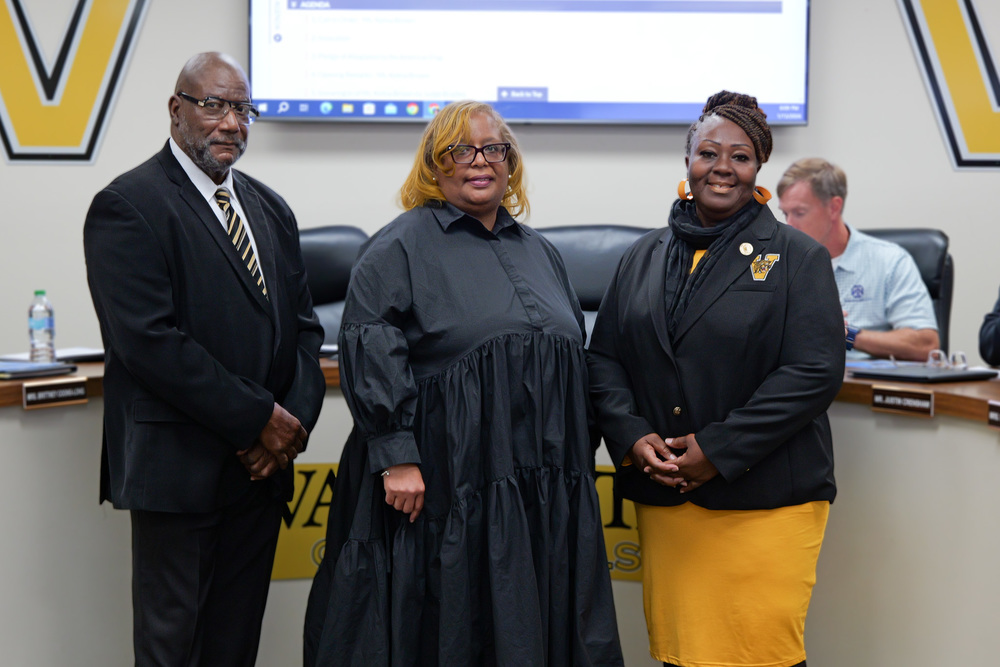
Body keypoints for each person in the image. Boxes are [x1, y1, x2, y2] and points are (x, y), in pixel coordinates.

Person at [303, 101, 623, 666]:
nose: (480, 162)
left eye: (493, 149)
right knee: (451, 627)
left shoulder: (540, 250)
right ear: (434, 164)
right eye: (461, 150)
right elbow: (371, 344)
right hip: (444, 487)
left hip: (537, 489)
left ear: (510, 161)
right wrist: (396, 454)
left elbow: (571, 357)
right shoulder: (398, 245)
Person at [83, 52, 326, 666]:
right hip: (181, 474)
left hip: (260, 476)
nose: (231, 123)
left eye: (242, 109)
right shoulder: (128, 205)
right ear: (176, 109)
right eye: (214, 105)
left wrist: (285, 432)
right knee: (174, 649)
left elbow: (303, 331)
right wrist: (256, 422)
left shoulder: (270, 209)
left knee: (235, 645)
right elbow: (150, 343)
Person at [587, 91, 845, 667]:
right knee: (684, 652)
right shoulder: (642, 255)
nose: (722, 167)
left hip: (765, 499)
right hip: (668, 495)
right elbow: (604, 357)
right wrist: (630, 437)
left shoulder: (797, 257)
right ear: (687, 162)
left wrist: (717, 449)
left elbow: (813, 371)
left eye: (741, 156)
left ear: (758, 168)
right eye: (708, 152)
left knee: (760, 652)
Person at [777, 157, 939, 361]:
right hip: (793, 383)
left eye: (799, 213)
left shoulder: (889, 261)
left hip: (860, 388)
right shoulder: (777, 262)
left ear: (834, 207)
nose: (788, 226)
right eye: (785, 214)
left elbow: (926, 345)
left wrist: (847, 334)